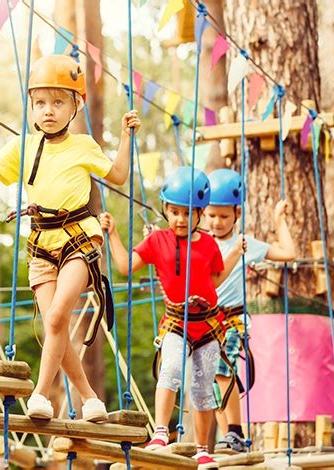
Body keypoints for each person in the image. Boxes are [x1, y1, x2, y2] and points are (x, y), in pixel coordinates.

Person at [0, 54, 141, 421]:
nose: (48, 111)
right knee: (54, 323)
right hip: (41, 246)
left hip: (80, 238)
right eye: (40, 102)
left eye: (58, 102)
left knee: (58, 313)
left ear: (76, 105)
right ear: (31, 105)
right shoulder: (22, 147)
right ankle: (90, 398)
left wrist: (125, 137)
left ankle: (41, 394)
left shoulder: (83, 146)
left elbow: (120, 175)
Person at [100, 166, 244, 467]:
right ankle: (161, 432)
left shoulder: (208, 245)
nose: (180, 219)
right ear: (165, 209)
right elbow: (126, 267)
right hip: (176, 323)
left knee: (204, 391)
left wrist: (234, 254)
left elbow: (215, 279)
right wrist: (112, 234)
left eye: (187, 213)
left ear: (200, 213)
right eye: (174, 211)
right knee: (170, 372)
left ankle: (203, 448)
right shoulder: (157, 241)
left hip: (208, 325)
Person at [204, 168, 296, 451]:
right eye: (211, 215)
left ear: (237, 213)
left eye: (224, 216)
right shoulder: (200, 242)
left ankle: (234, 431)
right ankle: (232, 439)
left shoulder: (244, 243)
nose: (217, 222)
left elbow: (288, 253)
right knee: (207, 381)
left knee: (221, 371)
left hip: (234, 319)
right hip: (206, 322)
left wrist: (279, 221)